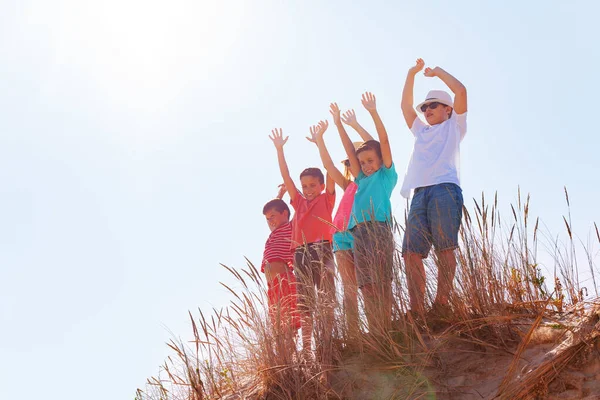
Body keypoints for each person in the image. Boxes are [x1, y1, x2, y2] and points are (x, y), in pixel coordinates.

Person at [400, 58, 468, 320]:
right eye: (425, 106)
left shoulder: (454, 126)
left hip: (444, 189)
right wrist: (412, 73)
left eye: (433, 105)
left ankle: (441, 305)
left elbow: (461, 91)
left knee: (445, 248)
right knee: (410, 253)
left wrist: (437, 72)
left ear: (447, 110)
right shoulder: (421, 131)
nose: (426, 109)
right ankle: (417, 310)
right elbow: (406, 106)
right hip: (420, 193)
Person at [305, 104, 374, 341]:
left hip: (362, 234)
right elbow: (329, 167)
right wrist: (320, 141)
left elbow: (376, 147)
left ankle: (376, 329)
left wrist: (348, 124)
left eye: (358, 161)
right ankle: (354, 334)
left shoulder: (370, 182)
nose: (353, 165)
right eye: (351, 162)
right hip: (341, 238)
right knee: (349, 289)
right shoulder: (348, 186)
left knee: (368, 284)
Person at [268, 129, 336, 361]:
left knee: (327, 296)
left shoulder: (327, 198)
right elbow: (286, 176)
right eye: (304, 186)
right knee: (306, 303)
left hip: (322, 249)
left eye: (312, 186)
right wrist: (279, 149)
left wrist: (320, 142)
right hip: (300, 253)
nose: (308, 190)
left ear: (321, 185)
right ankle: (307, 348)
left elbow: (329, 167)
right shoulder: (298, 202)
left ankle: (328, 341)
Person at [341, 92, 398, 336]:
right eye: (362, 162)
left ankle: (386, 326)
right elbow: (349, 149)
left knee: (382, 281)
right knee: (366, 285)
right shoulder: (360, 179)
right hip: (359, 234)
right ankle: (376, 329)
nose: (366, 165)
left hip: (379, 229)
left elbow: (382, 141)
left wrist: (372, 113)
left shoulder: (386, 176)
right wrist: (338, 124)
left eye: (370, 160)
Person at [261, 187, 301, 354]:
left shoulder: (291, 227)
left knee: (288, 322)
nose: (270, 221)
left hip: (284, 280)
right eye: (267, 219)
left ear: (285, 213)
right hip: (273, 286)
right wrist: (279, 196)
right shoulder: (275, 233)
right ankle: (284, 357)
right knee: (277, 325)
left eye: (273, 217)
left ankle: (290, 353)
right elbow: (276, 207)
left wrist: (290, 190)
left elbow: (301, 207)